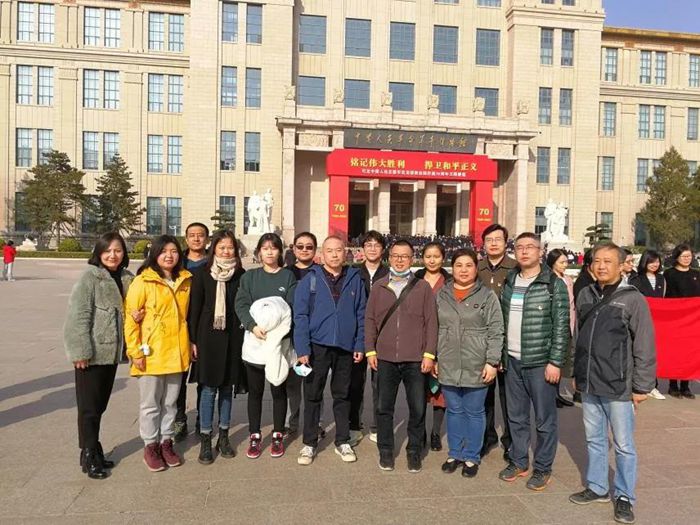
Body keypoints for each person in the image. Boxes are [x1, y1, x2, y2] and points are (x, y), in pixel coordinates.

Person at [570, 242, 657, 525]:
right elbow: (579, 336)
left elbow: (644, 344)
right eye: (597, 261)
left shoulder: (633, 299)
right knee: (594, 439)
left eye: (608, 261)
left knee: (623, 445)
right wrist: (576, 373)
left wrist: (642, 386)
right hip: (589, 382)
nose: (601, 266)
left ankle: (624, 496)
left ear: (621, 266)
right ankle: (597, 487)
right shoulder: (585, 293)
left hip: (618, 384)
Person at [498, 232, 570, 491]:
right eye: (520, 247)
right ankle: (519, 461)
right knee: (516, 416)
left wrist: (555, 362)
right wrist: (501, 355)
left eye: (530, 247)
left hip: (540, 362)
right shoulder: (510, 280)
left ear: (541, 252)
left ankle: (542, 467)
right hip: (512, 360)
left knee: (544, 419)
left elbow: (561, 326)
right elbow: (502, 321)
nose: (525, 251)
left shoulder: (553, 284)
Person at [64, 233, 133, 479]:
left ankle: (94, 448)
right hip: (92, 353)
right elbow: (78, 316)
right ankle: (89, 454)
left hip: (111, 353)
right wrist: (80, 351)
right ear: (99, 253)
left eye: (118, 250)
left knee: (99, 406)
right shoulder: (90, 277)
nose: (113, 255)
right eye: (108, 250)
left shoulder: (126, 278)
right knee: (89, 408)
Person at [365, 240, 438, 473]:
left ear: (412, 259)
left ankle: (414, 451)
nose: (399, 260)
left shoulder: (422, 287)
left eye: (404, 256)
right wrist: (370, 350)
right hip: (385, 358)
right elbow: (370, 320)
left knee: (417, 408)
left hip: (415, 358)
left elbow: (431, 322)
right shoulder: (379, 286)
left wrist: (429, 354)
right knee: (384, 407)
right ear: (389, 258)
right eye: (395, 255)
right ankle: (386, 451)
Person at [294, 236, 367, 466]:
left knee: (342, 394)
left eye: (338, 250)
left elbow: (361, 313)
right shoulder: (310, 280)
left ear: (345, 253)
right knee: (312, 394)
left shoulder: (354, 279)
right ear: (321, 254)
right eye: (330, 251)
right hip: (317, 345)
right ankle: (309, 442)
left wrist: (359, 344)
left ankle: (342, 440)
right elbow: (300, 316)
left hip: (345, 346)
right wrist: (302, 348)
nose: (334, 255)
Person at [125, 235, 192, 472]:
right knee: (151, 404)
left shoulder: (185, 280)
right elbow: (130, 320)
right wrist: (135, 351)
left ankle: (166, 442)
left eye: (173, 251)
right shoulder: (143, 281)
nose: (169, 255)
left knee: (171, 403)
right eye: (163, 251)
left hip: (177, 351)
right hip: (151, 353)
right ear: (155, 254)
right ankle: (150, 445)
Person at [435, 249, 504, 478]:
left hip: (476, 362)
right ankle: (455, 452)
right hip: (448, 360)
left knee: (474, 411)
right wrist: (434, 357)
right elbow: (433, 328)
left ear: (476, 268)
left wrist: (492, 361)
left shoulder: (487, 296)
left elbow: (496, 330)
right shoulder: (442, 295)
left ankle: (472, 456)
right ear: (452, 268)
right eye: (459, 265)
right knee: (454, 410)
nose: (463, 270)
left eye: (468, 265)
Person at [234, 233, 296, 458]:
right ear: (259, 252)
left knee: (278, 389)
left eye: (274, 248)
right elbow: (241, 303)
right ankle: (255, 435)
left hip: (279, 344)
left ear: (280, 251)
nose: (269, 252)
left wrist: (278, 333)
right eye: (265, 248)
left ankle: (278, 434)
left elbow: (291, 307)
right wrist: (252, 326)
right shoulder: (250, 277)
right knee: (255, 392)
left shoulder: (288, 276)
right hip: (256, 342)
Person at [188, 230, 246, 465]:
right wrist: (192, 340)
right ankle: (205, 437)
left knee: (226, 389)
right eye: (222, 247)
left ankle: (223, 436)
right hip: (207, 338)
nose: (226, 251)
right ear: (214, 249)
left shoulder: (241, 275)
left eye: (230, 247)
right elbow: (195, 309)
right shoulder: (202, 274)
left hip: (232, 338)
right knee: (208, 389)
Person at [477, 224, 516, 461]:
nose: (493, 243)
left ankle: (511, 441)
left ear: (505, 242)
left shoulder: (515, 268)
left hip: (510, 340)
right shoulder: (476, 268)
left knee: (509, 396)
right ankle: (487, 435)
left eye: (498, 239)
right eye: (489, 240)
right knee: (484, 394)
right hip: (482, 341)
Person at [350, 230, 389, 444]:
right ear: (362, 249)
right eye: (368, 245)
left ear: (383, 249)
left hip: (382, 336)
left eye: (376, 245)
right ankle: (354, 425)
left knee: (380, 385)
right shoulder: (353, 273)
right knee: (355, 383)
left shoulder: (390, 274)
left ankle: (377, 425)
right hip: (357, 334)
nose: (372, 248)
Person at [173, 222, 210, 442]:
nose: (196, 239)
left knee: (203, 376)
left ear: (207, 239)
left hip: (204, 328)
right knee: (178, 377)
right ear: (186, 239)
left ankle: (202, 417)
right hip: (179, 326)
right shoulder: (178, 263)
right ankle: (179, 418)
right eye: (192, 235)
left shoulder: (212, 262)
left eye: (200, 235)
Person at [414, 242, 451, 452]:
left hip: (444, 341)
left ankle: (435, 432)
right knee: (418, 391)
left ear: (443, 258)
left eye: (436, 256)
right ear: (422, 258)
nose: (432, 260)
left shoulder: (450, 281)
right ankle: (420, 432)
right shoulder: (415, 280)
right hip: (418, 341)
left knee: (440, 393)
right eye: (428, 256)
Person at [284, 232, 319, 439]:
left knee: (313, 383)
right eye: (300, 246)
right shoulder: (286, 273)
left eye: (309, 247)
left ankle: (315, 422)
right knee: (293, 383)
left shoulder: (320, 273)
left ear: (315, 249)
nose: (304, 250)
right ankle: (292, 422)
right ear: (294, 249)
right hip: (291, 336)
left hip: (314, 336)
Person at [663, 244, 700, 399]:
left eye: (689, 256)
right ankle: (673, 385)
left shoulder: (697, 274)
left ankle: (685, 386)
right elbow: (665, 296)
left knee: (689, 353)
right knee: (675, 352)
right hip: (675, 320)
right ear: (676, 257)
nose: (687, 259)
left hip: (692, 320)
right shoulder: (669, 274)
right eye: (683, 256)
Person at [629, 250, 666, 401]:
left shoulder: (662, 279)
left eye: (657, 261)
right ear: (645, 262)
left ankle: (653, 385)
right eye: (651, 261)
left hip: (659, 321)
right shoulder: (637, 280)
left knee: (654, 351)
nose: (654, 264)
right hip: (642, 319)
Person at [546, 249, 576, 408]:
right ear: (552, 263)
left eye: (566, 262)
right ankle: (551, 395)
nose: (565, 265)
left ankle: (556, 393)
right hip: (554, 326)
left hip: (568, 324)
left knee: (562, 361)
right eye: (561, 262)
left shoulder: (568, 279)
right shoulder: (548, 280)